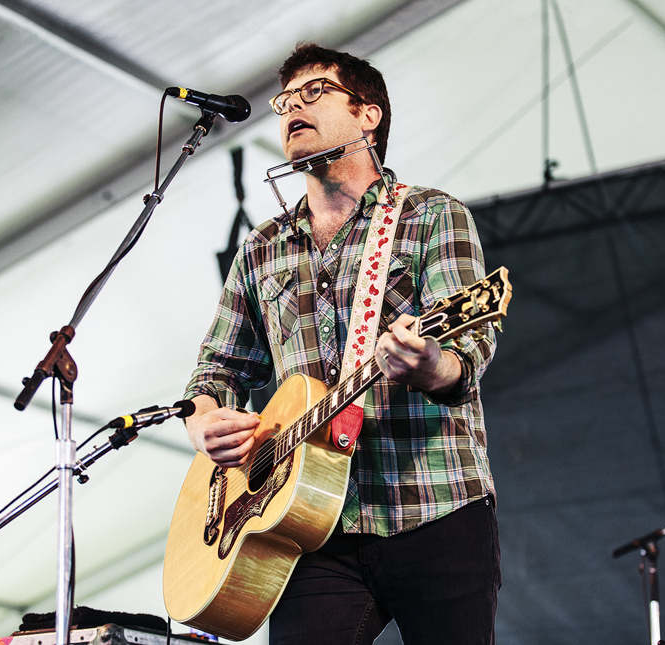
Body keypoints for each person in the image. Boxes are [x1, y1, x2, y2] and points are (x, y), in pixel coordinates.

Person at [183, 42, 501, 645]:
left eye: (315, 92)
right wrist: (202, 423)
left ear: (367, 115)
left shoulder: (431, 215)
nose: (291, 109)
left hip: (434, 505)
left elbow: (472, 348)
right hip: (306, 525)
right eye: (284, 102)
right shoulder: (263, 247)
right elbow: (217, 368)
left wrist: (432, 363)